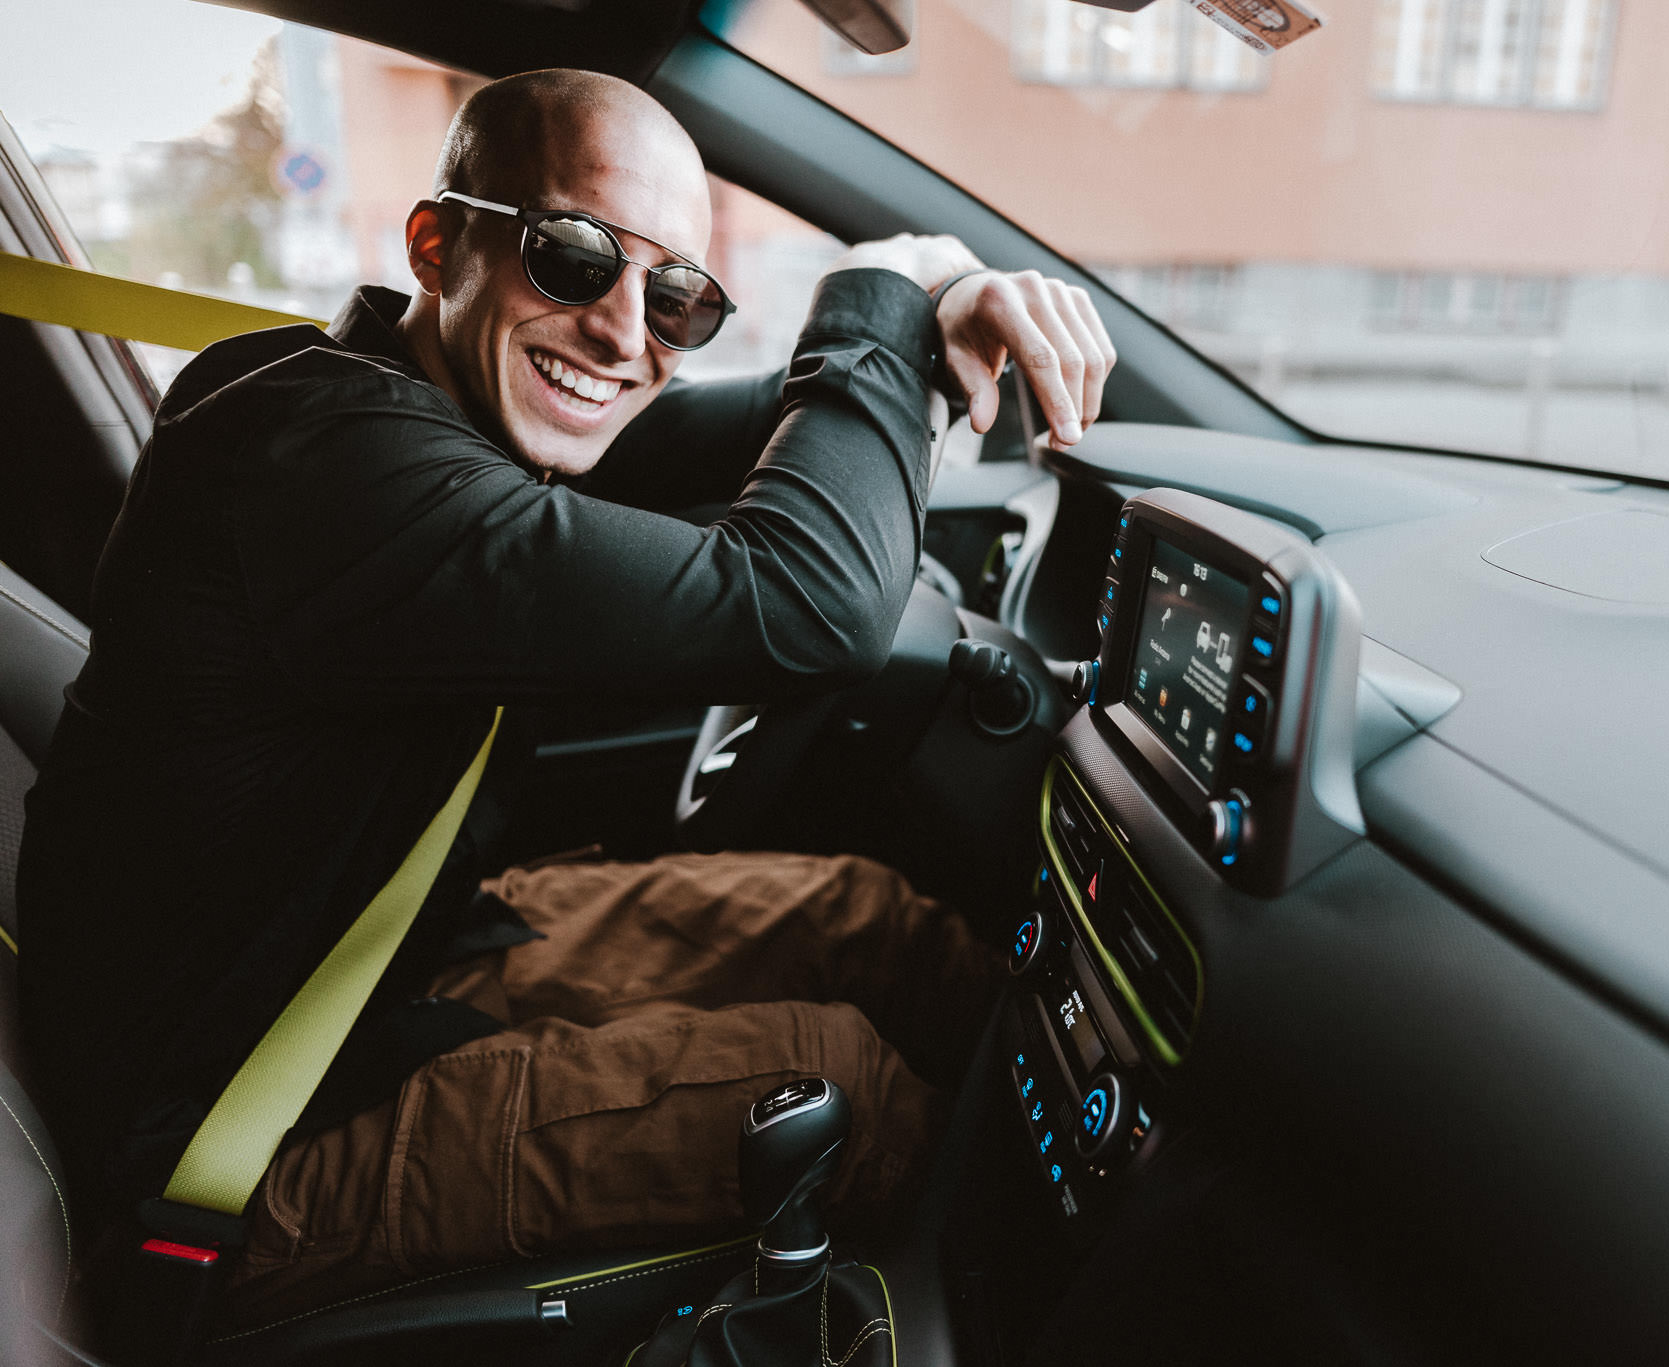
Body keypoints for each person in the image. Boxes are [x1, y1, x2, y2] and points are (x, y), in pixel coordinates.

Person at [16, 67, 1115, 1327]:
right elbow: (813, 604)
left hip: (376, 967)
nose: (622, 333)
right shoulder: (337, 466)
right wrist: (884, 282)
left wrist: (925, 325)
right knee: (849, 1090)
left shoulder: (420, 407)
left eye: (678, 298)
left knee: (865, 921)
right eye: (576, 258)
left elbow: (751, 428)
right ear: (438, 245)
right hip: (234, 1138)